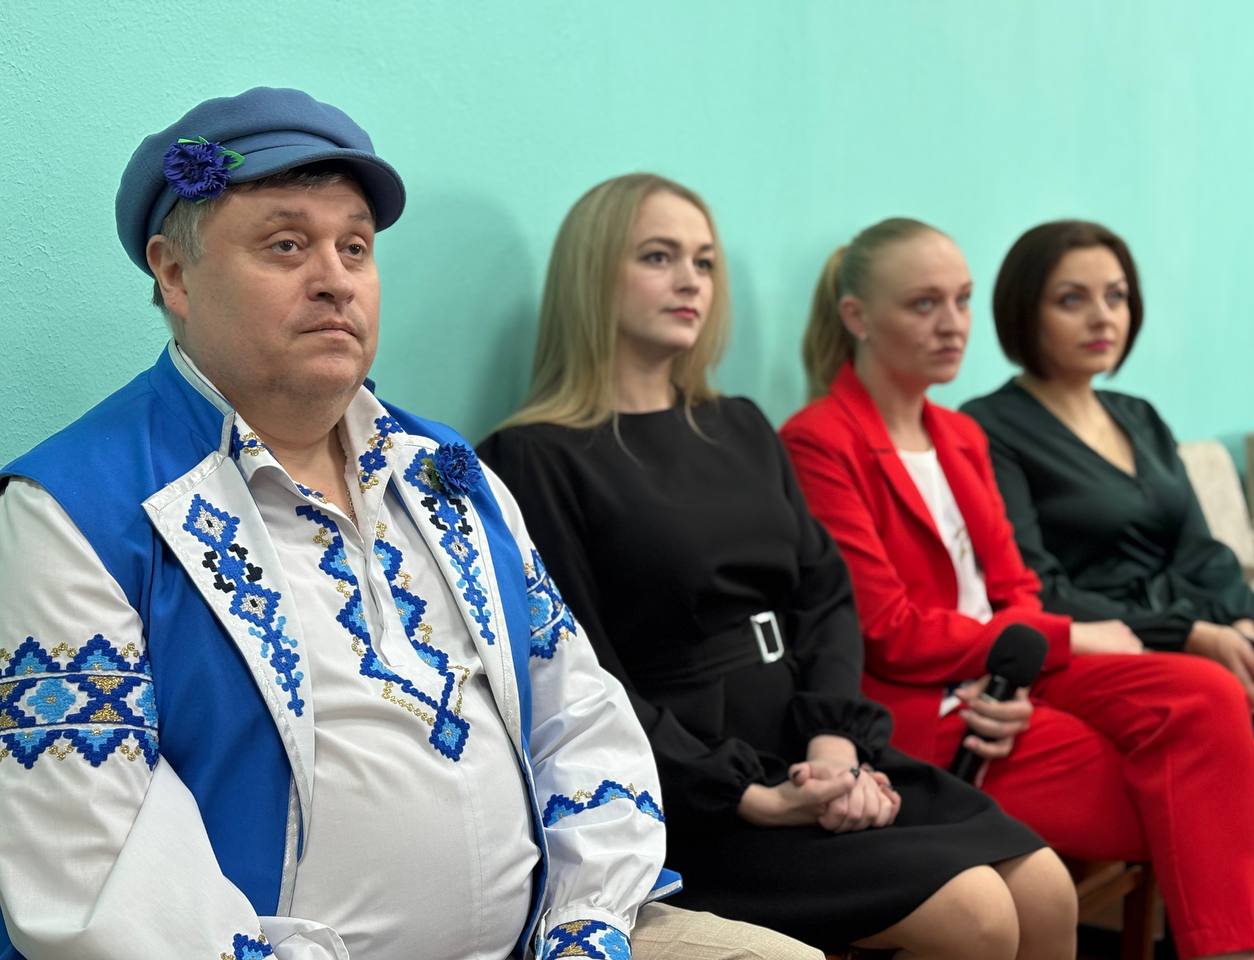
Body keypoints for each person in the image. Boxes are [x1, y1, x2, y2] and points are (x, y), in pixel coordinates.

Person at [0, 88, 818, 960]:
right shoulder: (76, 511)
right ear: (174, 274)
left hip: (553, 936)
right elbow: (97, 864)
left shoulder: (442, 473)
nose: (335, 278)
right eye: (286, 245)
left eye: (355, 247)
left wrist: (587, 924)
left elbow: (578, 715)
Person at [479, 174, 1077, 960]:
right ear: (592, 276)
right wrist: (745, 793)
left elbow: (825, 597)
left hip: (805, 741)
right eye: (659, 257)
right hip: (690, 790)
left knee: (1045, 886)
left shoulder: (739, 424)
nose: (691, 280)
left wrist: (834, 742)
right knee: (977, 915)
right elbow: (581, 679)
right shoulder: (532, 458)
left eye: (704, 261)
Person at [781, 216, 1254, 960]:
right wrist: (1047, 645)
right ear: (858, 317)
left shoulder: (959, 435)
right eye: (924, 305)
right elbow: (888, 628)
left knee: (1208, 696)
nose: (953, 324)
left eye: (961, 300)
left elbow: (1017, 586)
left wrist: (1018, 668)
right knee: (1253, 782)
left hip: (1008, 678)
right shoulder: (819, 440)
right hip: (933, 708)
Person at [960, 219, 1254, 734]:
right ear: (1024, 311)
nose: (1102, 317)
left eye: (1116, 297)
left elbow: (1203, 550)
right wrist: (1190, 635)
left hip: (1200, 622)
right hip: (1116, 638)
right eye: (1072, 300)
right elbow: (1039, 588)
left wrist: (1242, 630)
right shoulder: (989, 427)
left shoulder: (1139, 415)